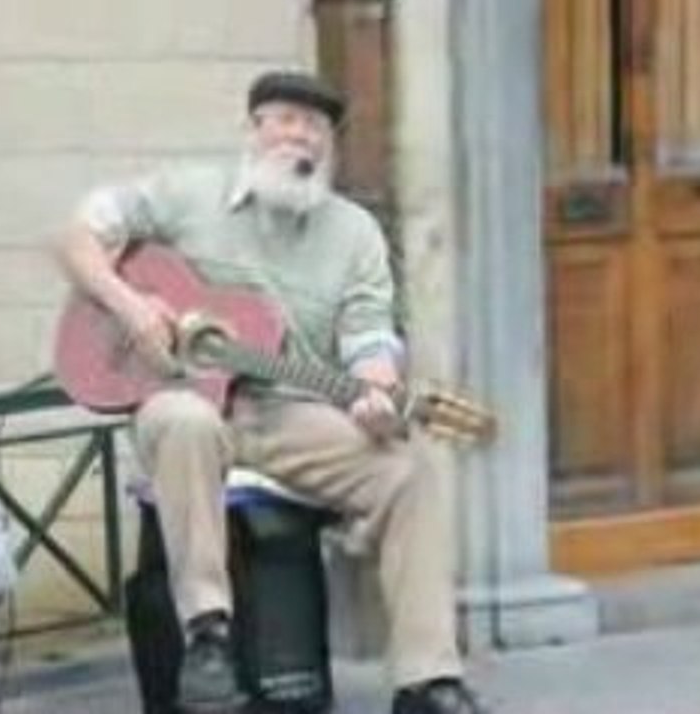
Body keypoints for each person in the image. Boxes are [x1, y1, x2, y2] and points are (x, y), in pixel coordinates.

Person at [56, 70, 487, 714]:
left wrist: (377, 393)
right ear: (254, 128)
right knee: (186, 420)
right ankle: (208, 636)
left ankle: (426, 679)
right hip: (185, 400)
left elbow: (370, 341)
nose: (300, 135)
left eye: (315, 126)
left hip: (291, 411)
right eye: (285, 119)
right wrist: (130, 307)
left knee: (410, 467)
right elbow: (76, 237)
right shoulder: (186, 194)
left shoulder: (354, 233)